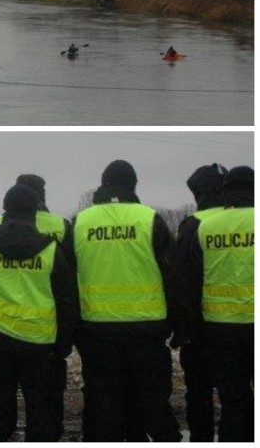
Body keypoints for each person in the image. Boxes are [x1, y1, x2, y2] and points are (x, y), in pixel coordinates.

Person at [66, 160, 181, 441]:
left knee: (106, 405)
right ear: (133, 186)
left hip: (97, 329)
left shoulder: (81, 222)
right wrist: (178, 323)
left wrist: (73, 327)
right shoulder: (149, 218)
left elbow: (68, 277)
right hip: (147, 328)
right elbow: (173, 275)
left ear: (103, 184)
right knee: (152, 401)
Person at [0, 184, 77, 441]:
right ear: (35, 211)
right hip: (40, 343)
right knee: (41, 411)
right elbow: (67, 299)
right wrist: (63, 344)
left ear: (5, 209)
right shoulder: (51, 249)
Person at [178, 166, 254, 442]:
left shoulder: (203, 227)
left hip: (219, 328)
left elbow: (188, 281)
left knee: (233, 400)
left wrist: (187, 328)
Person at [0, 174, 71, 439]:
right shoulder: (60, 226)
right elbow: (67, 290)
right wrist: (64, 339)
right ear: (41, 196)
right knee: (44, 407)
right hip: (43, 335)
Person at [174, 163, 228, 442]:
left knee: (199, 392)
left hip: (200, 328)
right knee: (239, 393)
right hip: (241, 326)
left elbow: (181, 281)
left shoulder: (193, 225)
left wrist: (182, 329)